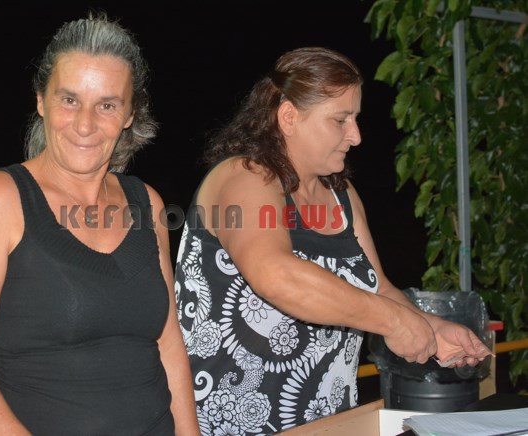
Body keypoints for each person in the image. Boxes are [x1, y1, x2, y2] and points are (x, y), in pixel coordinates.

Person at [174, 47, 492, 434]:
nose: (355, 136)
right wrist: (393, 322)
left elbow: (378, 288)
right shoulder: (245, 177)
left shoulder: (342, 196)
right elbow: (277, 276)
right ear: (289, 117)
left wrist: (430, 327)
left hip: (332, 422)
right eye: (340, 120)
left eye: (355, 119)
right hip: (231, 425)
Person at [0, 12, 199, 435]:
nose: (85, 124)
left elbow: (167, 343)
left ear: (129, 113)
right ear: (41, 100)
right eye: (69, 100)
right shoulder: (0, 201)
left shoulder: (146, 203)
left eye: (107, 105)